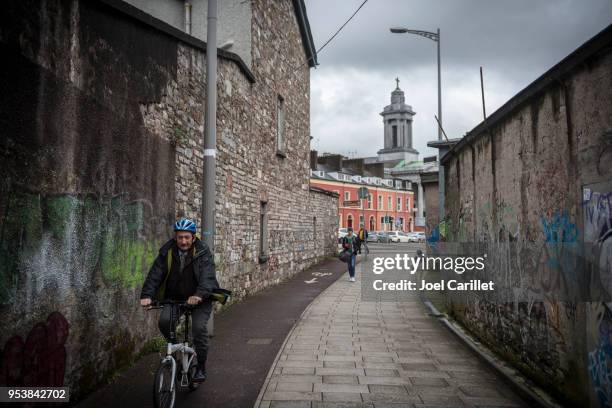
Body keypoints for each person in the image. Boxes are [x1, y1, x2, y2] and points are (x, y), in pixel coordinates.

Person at [140, 218, 220, 383]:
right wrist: (147, 295)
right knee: (164, 322)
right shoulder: (167, 251)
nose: (183, 241)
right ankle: (174, 352)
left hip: (200, 299)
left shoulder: (203, 251)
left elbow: (208, 277)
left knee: (198, 329)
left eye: (186, 237)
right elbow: (155, 274)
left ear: (193, 237)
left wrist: (198, 295)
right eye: (179, 237)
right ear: (175, 237)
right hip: (175, 298)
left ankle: (200, 366)